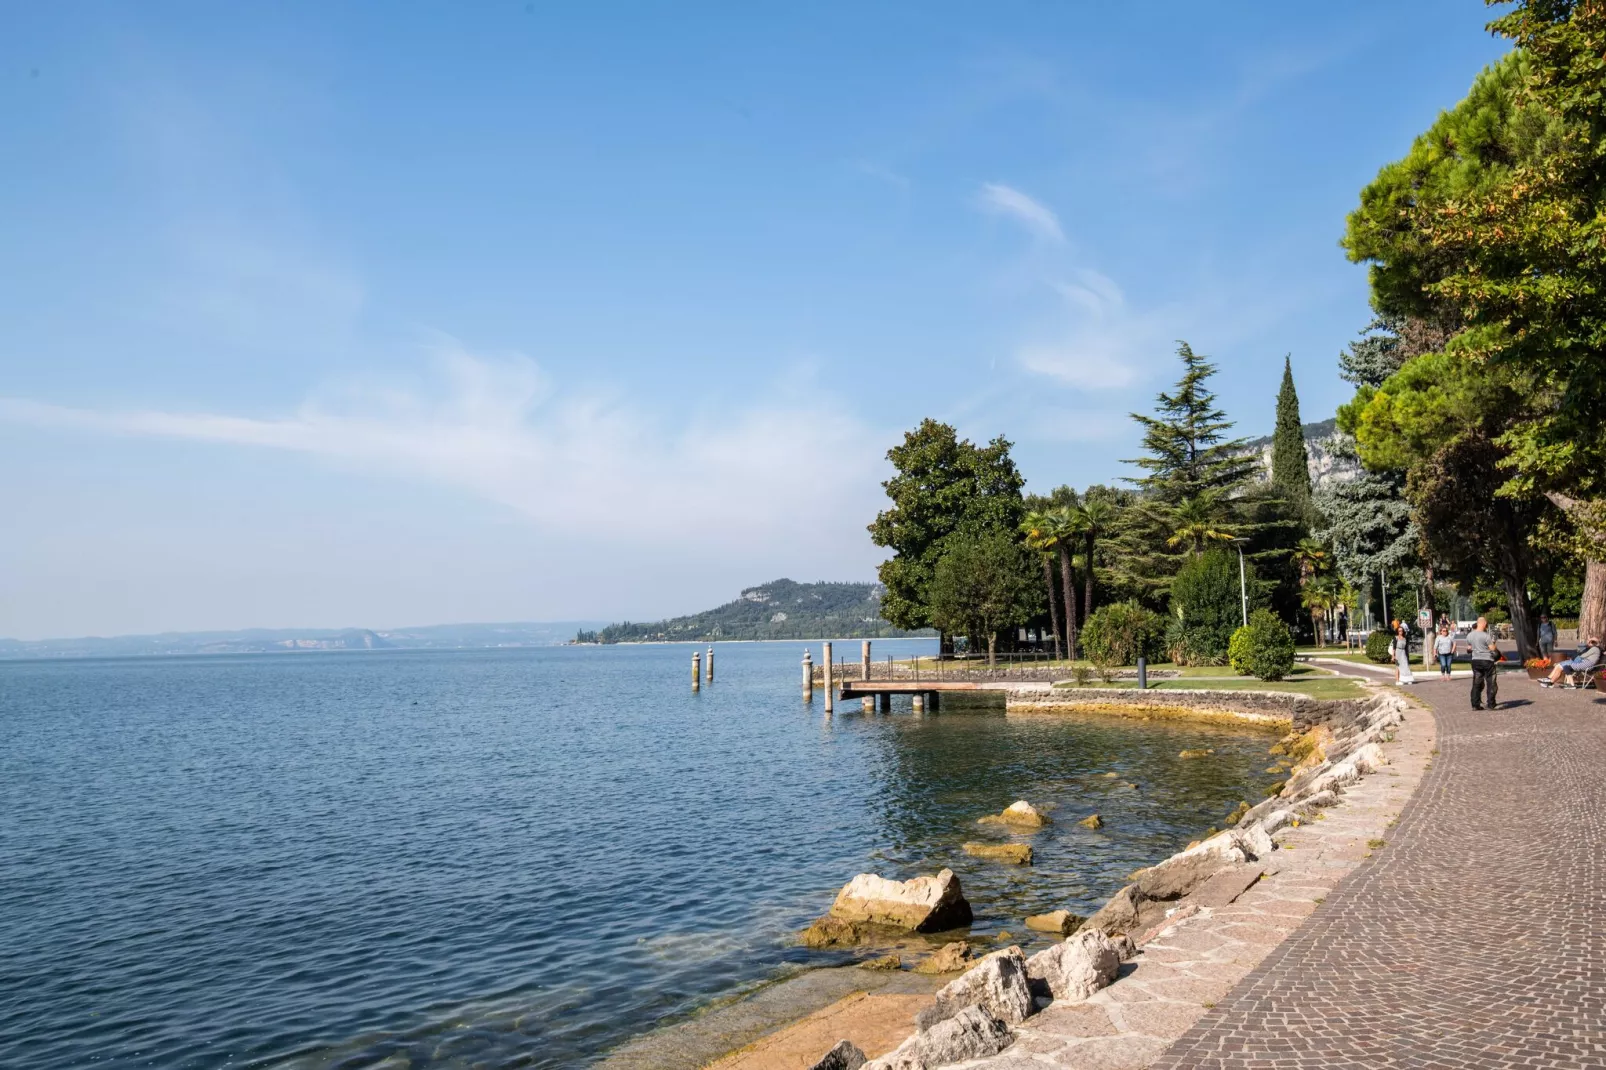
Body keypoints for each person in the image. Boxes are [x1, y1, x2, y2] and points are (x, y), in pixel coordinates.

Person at [1464, 616, 1500, 710]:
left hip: (1475, 660)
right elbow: (1492, 649)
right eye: (1486, 624)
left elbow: (1469, 648)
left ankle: (1475, 704)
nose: (1486, 626)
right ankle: (1491, 704)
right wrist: (1494, 646)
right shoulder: (1485, 635)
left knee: (1477, 682)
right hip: (1487, 660)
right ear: (1483, 624)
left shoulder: (1469, 635)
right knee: (1491, 682)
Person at [1393, 619, 1415, 685]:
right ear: (1397, 631)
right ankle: (1397, 681)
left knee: (1405, 665)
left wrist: (1407, 655)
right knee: (1398, 667)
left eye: (1401, 631)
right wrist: (1393, 656)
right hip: (1397, 652)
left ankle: (1407, 679)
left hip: (1403, 652)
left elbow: (1406, 648)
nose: (1400, 632)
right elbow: (1394, 647)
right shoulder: (1395, 638)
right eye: (1399, 631)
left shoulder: (1405, 638)